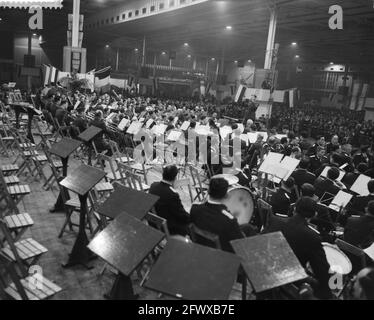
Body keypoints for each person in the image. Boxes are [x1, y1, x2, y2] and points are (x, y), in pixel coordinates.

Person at [266, 197, 332, 299]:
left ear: (295, 208)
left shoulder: (275, 220)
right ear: (315, 214)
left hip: (265, 269)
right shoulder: (312, 237)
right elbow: (322, 272)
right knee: (325, 287)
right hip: (287, 279)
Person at [190, 177, 244, 252]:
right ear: (226, 195)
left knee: (247, 228)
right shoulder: (229, 220)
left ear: (208, 191)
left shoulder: (194, 208)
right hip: (222, 256)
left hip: (200, 250)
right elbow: (240, 244)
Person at [149, 165, 190, 236]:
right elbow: (181, 215)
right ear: (175, 178)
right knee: (191, 225)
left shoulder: (153, 186)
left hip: (153, 223)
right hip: (167, 227)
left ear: (163, 174)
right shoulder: (172, 194)